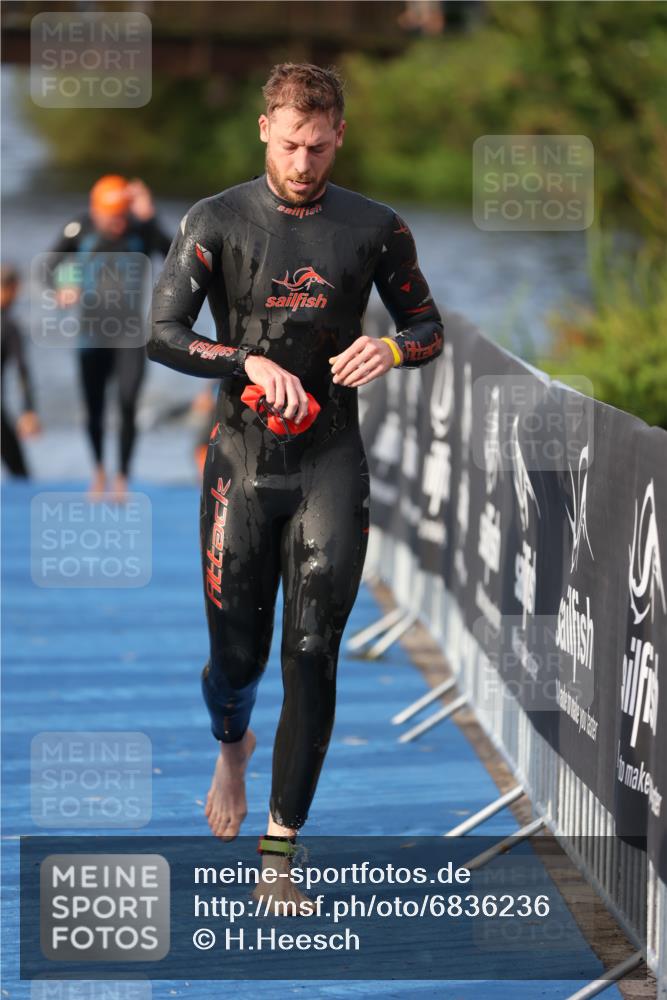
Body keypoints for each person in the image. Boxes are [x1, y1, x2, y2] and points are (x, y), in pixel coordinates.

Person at [148, 63, 443, 912]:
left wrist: (387, 350)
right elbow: (163, 336)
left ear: (338, 136)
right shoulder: (217, 220)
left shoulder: (375, 228)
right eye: (288, 145)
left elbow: (426, 325)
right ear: (263, 131)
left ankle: (280, 846)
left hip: (329, 460)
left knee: (312, 651)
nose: (303, 163)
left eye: (318, 147)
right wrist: (245, 357)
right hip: (241, 465)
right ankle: (229, 742)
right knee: (236, 657)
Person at [47, 175, 172, 500]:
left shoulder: (141, 228)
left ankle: (122, 477)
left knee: (128, 402)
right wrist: (65, 283)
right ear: (96, 210)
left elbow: (176, 259)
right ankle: (99, 469)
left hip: (130, 336)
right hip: (91, 334)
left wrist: (151, 216)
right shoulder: (80, 227)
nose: (117, 223)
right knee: (94, 408)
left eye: (122, 216)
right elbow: (51, 264)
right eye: (111, 216)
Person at [1, 264, 41, 477]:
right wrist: (28, 410)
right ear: (11, 289)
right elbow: (21, 369)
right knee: (20, 474)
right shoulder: (9, 327)